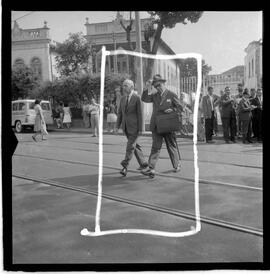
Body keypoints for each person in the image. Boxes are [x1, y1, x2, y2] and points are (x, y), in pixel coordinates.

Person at [141, 74, 183, 178]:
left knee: (171, 145)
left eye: (159, 85)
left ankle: (177, 164)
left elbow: (180, 108)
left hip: (168, 125)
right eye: (155, 86)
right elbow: (144, 98)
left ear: (164, 83)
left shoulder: (171, 95)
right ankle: (151, 168)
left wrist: (173, 110)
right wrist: (147, 86)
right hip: (156, 125)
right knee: (155, 147)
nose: (157, 87)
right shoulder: (154, 96)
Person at [116, 79, 148, 176]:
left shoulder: (137, 98)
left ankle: (125, 166)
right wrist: (117, 126)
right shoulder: (122, 99)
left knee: (130, 147)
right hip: (126, 127)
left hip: (135, 127)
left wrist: (142, 129)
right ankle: (144, 164)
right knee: (135, 146)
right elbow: (120, 113)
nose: (123, 87)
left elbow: (140, 114)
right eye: (123, 85)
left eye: (126, 85)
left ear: (132, 87)